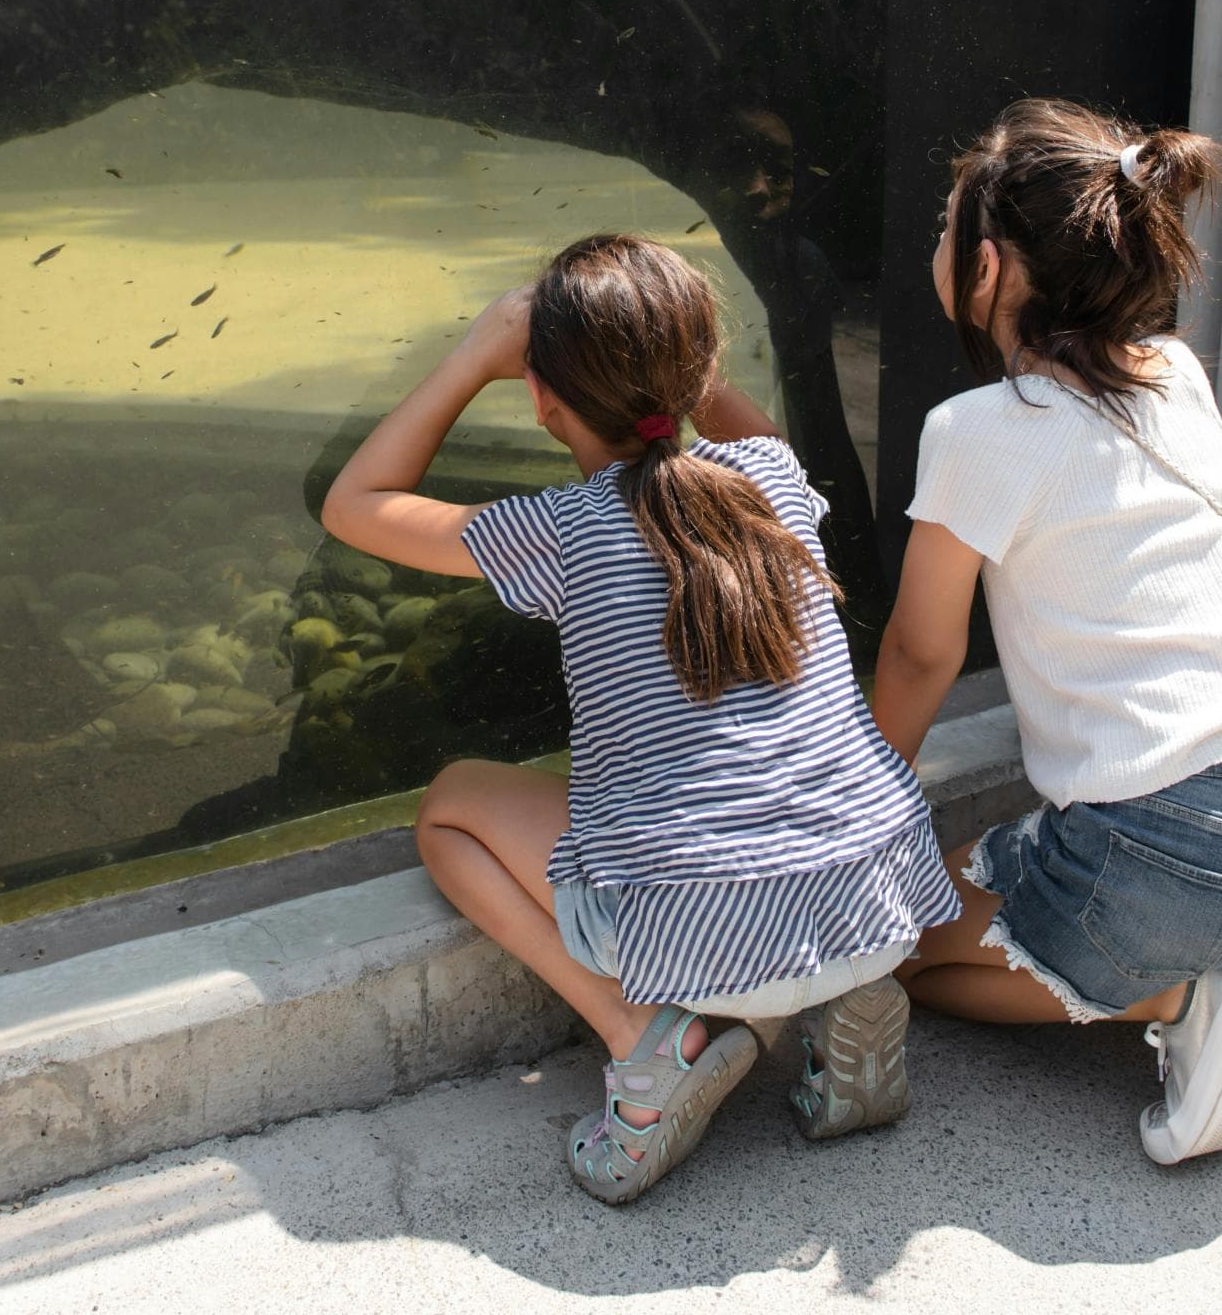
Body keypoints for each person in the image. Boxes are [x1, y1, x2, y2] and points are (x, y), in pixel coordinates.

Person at [322, 233, 958, 1204]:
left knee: (450, 807)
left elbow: (356, 504)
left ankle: (650, 1041)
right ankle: (844, 1003)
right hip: (876, 903)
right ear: (701, 368)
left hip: (707, 935)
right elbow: (757, 440)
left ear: (539, 400)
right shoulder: (772, 483)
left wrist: (477, 350)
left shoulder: (558, 531)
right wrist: (679, 363)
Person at [872, 98, 1222, 1166]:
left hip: (1159, 847)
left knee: (896, 959)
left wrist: (842, 810)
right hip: (1181, 809)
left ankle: (1177, 986)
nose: (934, 247)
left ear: (986, 270)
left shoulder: (979, 429)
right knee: (959, 879)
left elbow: (923, 652)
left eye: (944, 230)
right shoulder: (1176, 373)